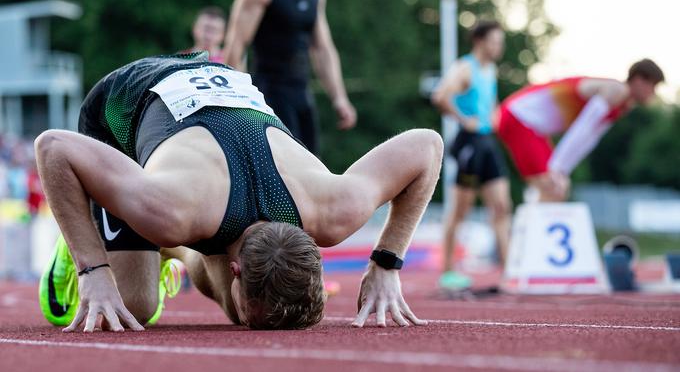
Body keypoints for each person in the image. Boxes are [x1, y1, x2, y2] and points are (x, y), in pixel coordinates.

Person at [35, 53, 442, 332]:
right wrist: (94, 270)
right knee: (131, 308)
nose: (248, 327)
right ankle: (80, 237)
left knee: (236, 306)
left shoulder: (333, 207)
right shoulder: (171, 209)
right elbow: (54, 147)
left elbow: (428, 145)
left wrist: (387, 263)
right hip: (125, 100)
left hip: (217, 93)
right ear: (236, 269)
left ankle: (171, 251)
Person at [223, 0, 356, 155]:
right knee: (284, 178)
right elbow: (236, 46)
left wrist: (339, 98)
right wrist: (239, 105)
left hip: (303, 98)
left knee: (313, 175)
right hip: (267, 98)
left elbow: (323, 48)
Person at [496, 58, 665, 201]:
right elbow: (582, 128)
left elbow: (590, 138)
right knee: (552, 187)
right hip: (521, 117)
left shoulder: (623, 105)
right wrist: (556, 168)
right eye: (653, 86)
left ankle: (530, 230)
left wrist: (562, 170)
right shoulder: (617, 90)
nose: (653, 93)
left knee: (553, 189)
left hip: (530, 125)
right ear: (639, 80)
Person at [430, 21, 511, 290]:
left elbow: (492, 101)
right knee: (460, 210)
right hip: (469, 143)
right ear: (479, 41)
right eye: (494, 41)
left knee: (501, 206)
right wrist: (465, 121)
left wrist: (496, 116)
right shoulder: (465, 68)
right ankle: (447, 272)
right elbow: (440, 96)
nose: (499, 47)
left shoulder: (491, 69)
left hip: (487, 142)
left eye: (501, 42)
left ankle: (508, 270)